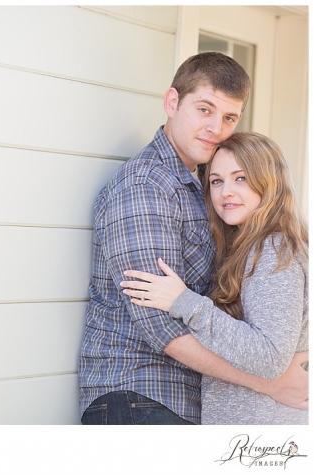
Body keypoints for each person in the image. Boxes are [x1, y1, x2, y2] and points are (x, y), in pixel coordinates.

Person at [78, 52, 308, 425]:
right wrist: (270, 384)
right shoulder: (146, 188)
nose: (216, 128)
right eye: (205, 109)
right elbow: (161, 326)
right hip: (140, 395)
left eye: (229, 117)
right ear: (173, 103)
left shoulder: (203, 187)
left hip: (183, 403)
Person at [120, 132, 308, 424]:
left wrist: (184, 302)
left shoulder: (272, 248)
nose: (226, 192)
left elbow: (269, 357)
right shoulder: (249, 248)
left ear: (269, 183)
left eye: (241, 178)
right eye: (217, 181)